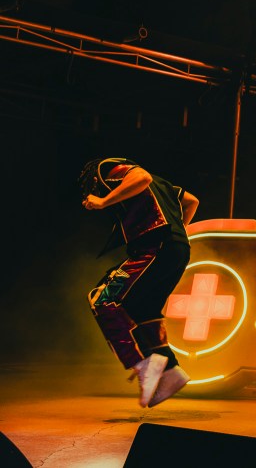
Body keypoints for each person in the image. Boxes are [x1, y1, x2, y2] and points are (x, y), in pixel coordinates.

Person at [80, 158, 199, 408]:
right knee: (142, 309)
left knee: (102, 298)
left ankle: (140, 363)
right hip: (176, 249)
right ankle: (170, 370)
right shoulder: (163, 183)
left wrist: (102, 201)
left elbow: (141, 177)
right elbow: (191, 201)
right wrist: (179, 231)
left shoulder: (110, 168)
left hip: (154, 246)